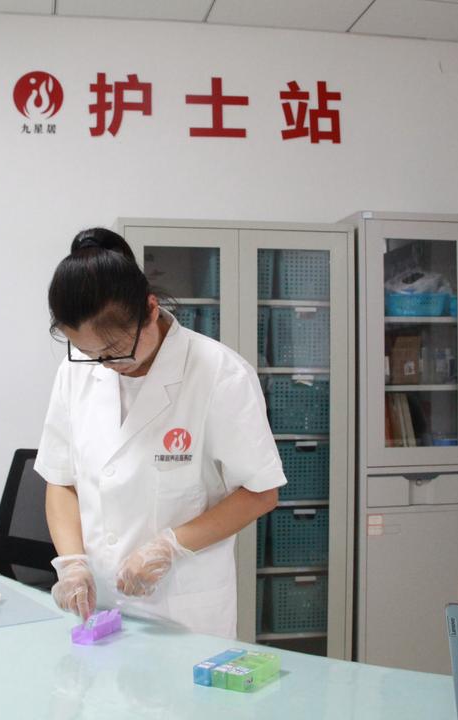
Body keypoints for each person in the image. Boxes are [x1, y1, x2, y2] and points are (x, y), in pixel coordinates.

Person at [35, 227, 285, 639]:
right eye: (90, 354)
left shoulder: (219, 373)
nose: (106, 364)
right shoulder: (75, 372)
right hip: (100, 604)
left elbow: (261, 493)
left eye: (115, 350)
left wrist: (168, 546)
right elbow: (60, 479)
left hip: (181, 610)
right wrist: (73, 563)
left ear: (150, 310)